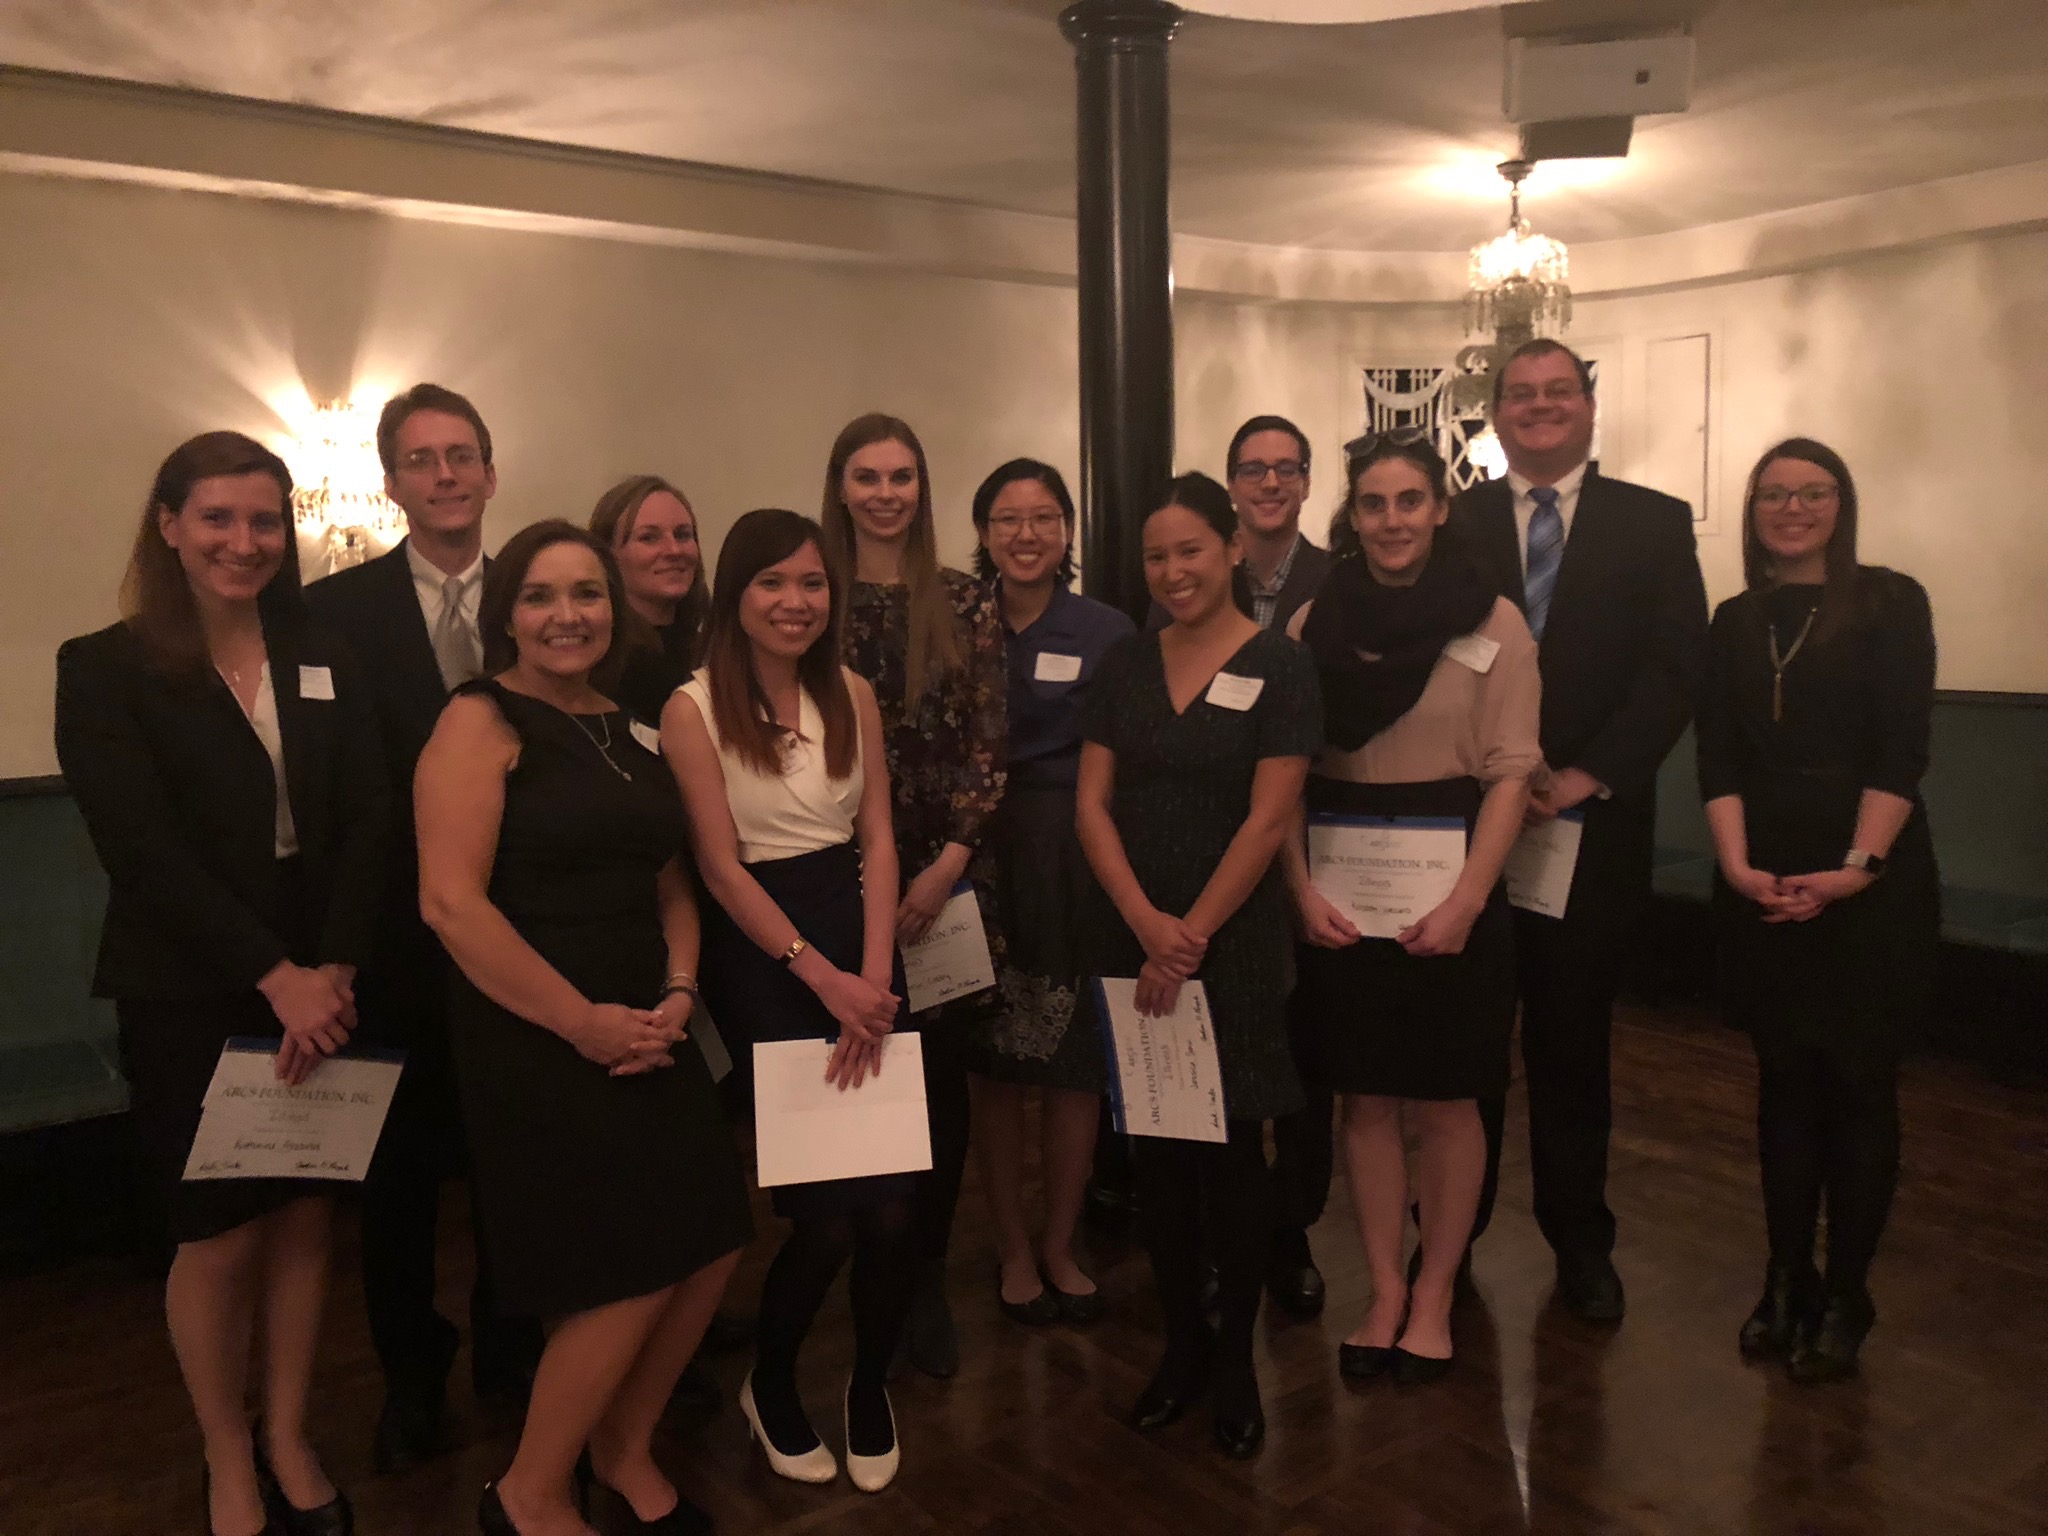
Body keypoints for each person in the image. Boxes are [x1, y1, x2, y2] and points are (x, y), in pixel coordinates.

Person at [55, 431, 386, 1536]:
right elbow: (142, 850)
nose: (244, 542)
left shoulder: (321, 646)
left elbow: (371, 814)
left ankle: (288, 1434)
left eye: (263, 520)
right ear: (168, 525)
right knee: (218, 1233)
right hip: (190, 978)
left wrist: (333, 967)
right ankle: (226, 1452)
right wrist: (275, 975)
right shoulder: (102, 666)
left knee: (304, 1215)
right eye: (217, 518)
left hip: (326, 969)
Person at [416, 520, 751, 1536]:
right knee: (623, 1267)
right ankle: (528, 1494)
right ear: (506, 616)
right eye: (540, 596)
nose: (567, 616)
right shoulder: (478, 719)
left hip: (651, 1022)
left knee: (711, 1239)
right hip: (537, 1030)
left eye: (586, 594)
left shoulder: (628, 722)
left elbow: (669, 879)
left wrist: (681, 990)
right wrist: (579, 1024)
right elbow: (450, 905)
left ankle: (622, 1446)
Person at [1448, 339, 1709, 1322]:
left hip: (1589, 829)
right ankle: (1451, 1232)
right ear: (1497, 415)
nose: (1540, 406)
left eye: (1559, 391)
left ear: (1589, 408)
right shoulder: (1455, 520)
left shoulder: (1654, 522)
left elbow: (1674, 670)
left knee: (1570, 1048)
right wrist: (1497, 777)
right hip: (1470, 826)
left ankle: (1579, 1242)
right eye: (1520, 394)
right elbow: (1428, 657)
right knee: (1467, 1044)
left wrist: (1582, 778)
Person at [306, 382, 540, 1469]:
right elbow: (335, 795)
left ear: (490, 471)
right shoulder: (334, 612)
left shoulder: (542, 595)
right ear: (391, 481)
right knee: (394, 1182)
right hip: (396, 939)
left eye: (461, 456)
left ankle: (512, 1345)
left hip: (525, 929)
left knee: (512, 1161)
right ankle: (410, 1374)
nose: (444, 476)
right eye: (420, 459)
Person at [662, 508, 914, 1494]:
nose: (795, 601)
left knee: (892, 1213)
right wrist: (827, 979)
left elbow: (879, 838)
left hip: (863, 945)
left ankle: (868, 1384)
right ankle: (768, 1384)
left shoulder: (851, 690)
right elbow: (721, 870)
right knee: (827, 1221)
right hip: (770, 959)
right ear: (735, 595)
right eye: (772, 582)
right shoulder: (692, 709)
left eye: (811, 582)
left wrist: (876, 977)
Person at [1284, 435, 1540, 1385]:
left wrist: (1469, 901)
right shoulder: (1314, 622)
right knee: (1365, 1098)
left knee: (1449, 1100)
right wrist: (1300, 889)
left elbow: (1512, 772)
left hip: (1454, 891)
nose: (1391, 520)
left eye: (1409, 501)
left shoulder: (1494, 619)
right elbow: (1285, 771)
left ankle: (1435, 1293)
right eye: (1373, 503)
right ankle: (1385, 1289)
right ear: (1351, 516)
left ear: (1439, 509)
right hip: (1343, 891)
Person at [1076, 472, 1321, 1459]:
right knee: (1161, 1161)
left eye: (1190, 550)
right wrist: (1147, 926)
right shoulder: (1125, 663)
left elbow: (1268, 820)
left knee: (1232, 1161)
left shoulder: (1280, 664)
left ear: (1230, 549)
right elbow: (1091, 806)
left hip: (1235, 946)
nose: (1173, 571)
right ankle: (1180, 1346)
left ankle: (1235, 1364)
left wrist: (1190, 938)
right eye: (1156, 556)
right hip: (1136, 942)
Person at [1697, 440, 1938, 1384]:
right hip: (1761, 873)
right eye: (1773, 494)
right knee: (1784, 1083)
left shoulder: (1891, 602)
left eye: (1813, 492)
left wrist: (1856, 868)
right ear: (1753, 510)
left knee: (1859, 1085)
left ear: (1843, 504)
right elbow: (1717, 756)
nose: (1792, 509)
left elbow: (1902, 751)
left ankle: (1848, 1293)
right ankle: (1786, 1275)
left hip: (1868, 880)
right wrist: (1735, 865)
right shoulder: (1733, 619)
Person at [822, 412, 1007, 1378]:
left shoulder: (966, 601)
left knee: (938, 1077)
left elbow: (989, 741)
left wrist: (946, 867)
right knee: (854, 1063)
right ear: (841, 487)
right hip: (834, 872)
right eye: (868, 476)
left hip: (945, 882)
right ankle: (862, 1261)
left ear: (922, 488)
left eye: (902, 477)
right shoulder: (812, 594)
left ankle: (924, 1269)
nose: (886, 493)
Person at [965, 459, 1134, 1325]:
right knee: (994, 1069)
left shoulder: (1106, 631)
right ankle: (1011, 1245)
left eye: (1043, 518)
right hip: (979, 867)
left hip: (1077, 860)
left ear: (1067, 529)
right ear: (983, 532)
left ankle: (1061, 1242)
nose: (1025, 534)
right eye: (1007, 518)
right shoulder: (958, 624)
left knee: (1075, 1067)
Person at [589, 475, 709, 727]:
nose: (674, 550)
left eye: (683, 535)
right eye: (649, 538)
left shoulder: (713, 651)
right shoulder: (600, 663)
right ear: (606, 554)